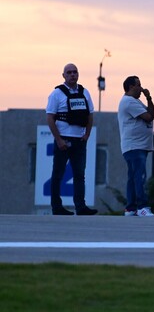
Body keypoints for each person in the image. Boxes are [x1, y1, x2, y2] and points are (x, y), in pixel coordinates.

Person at [46, 63, 98, 215]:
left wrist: (87, 134)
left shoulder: (84, 92)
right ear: (63, 75)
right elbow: (50, 118)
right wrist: (59, 139)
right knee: (58, 174)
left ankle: (80, 206)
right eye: (69, 72)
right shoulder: (56, 94)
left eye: (75, 72)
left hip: (79, 140)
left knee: (79, 174)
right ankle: (57, 207)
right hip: (63, 139)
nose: (72, 75)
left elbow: (90, 115)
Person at [118, 76, 154, 217]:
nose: (141, 88)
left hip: (139, 146)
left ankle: (130, 208)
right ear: (130, 87)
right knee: (139, 176)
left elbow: (153, 114)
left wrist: (149, 98)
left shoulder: (136, 101)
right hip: (134, 146)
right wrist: (148, 100)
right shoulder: (128, 102)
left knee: (133, 177)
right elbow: (148, 117)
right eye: (138, 85)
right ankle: (142, 207)